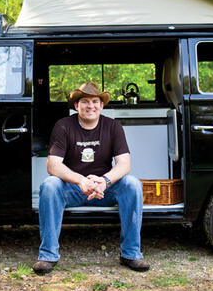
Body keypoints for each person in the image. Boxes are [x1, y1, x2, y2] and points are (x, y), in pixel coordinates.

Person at [33, 82, 149, 275]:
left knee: (132, 184)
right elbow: (53, 164)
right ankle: (48, 255)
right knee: (50, 185)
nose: (90, 106)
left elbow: (124, 164)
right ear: (76, 106)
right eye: (84, 101)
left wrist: (104, 181)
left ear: (101, 106)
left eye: (95, 101)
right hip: (74, 188)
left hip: (104, 189)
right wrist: (81, 181)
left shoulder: (113, 126)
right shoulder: (63, 126)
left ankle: (131, 253)